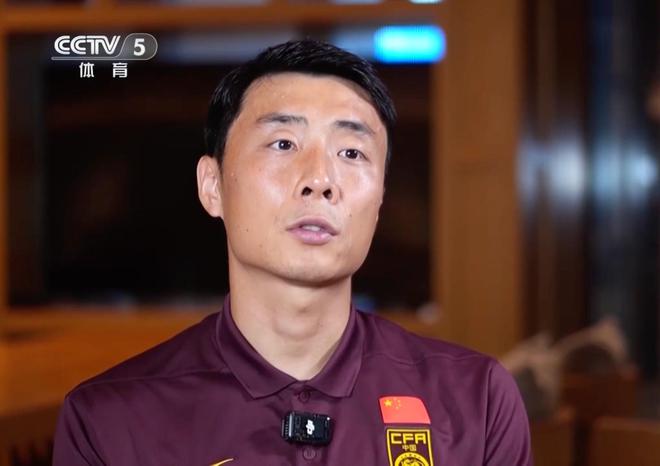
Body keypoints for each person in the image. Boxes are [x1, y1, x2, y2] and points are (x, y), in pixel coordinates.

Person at [53, 39, 532, 466]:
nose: (319, 180)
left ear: (380, 199)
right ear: (212, 185)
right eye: (283, 143)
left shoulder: (477, 401)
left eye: (351, 153)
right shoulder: (110, 421)